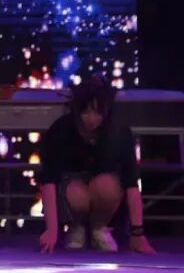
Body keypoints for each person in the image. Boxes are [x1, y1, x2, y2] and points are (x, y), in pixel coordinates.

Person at [38, 76, 156, 255]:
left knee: (106, 185)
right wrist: (52, 229)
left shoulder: (119, 132)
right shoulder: (61, 130)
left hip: (107, 198)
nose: (91, 118)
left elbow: (131, 184)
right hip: (70, 193)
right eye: (86, 111)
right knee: (76, 192)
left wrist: (137, 233)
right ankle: (76, 227)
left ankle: (99, 228)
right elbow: (49, 180)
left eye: (97, 112)